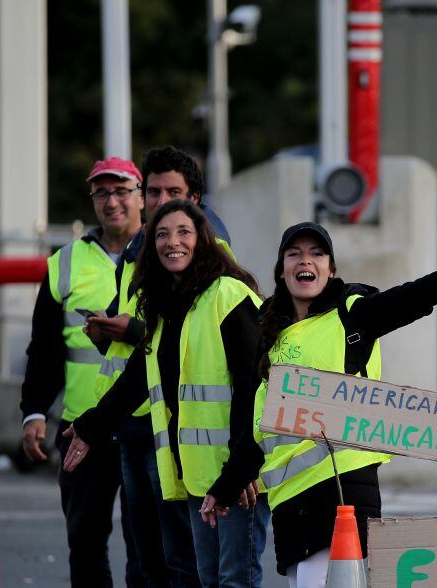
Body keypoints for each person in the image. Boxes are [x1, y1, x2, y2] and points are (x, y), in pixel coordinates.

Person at [202, 221, 437, 586]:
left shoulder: (352, 314)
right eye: (294, 254)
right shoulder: (269, 335)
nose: (305, 261)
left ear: (331, 269)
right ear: (281, 270)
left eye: (317, 254)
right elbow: (259, 428)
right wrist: (225, 488)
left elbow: (420, 294)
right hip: (290, 506)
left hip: (343, 494)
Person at [64, 199, 268, 588]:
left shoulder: (228, 295)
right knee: (209, 579)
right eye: (161, 234)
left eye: (183, 232)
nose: (172, 241)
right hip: (197, 474)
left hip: (237, 474)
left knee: (234, 580)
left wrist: (243, 466)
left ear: (203, 241)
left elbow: (254, 383)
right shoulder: (166, 307)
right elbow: (139, 378)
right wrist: (92, 425)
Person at [84, 146, 242, 588]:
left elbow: (190, 347)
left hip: (183, 433)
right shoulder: (143, 248)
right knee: (150, 553)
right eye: (152, 191)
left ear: (195, 198)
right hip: (139, 418)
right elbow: (149, 347)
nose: (159, 200)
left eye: (172, 191)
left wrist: (244, 458)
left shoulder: (208, 251)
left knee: (193, 563)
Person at [19, 156, 144, 586]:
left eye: (122, 191)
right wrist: (34, 412)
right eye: (102, 193)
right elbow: (44, 348)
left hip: (144, 424)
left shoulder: (165, 252)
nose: (112, 202)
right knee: (85, 543)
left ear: (140, 197)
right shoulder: (65, 262)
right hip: (81, 428)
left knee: (146, 548)